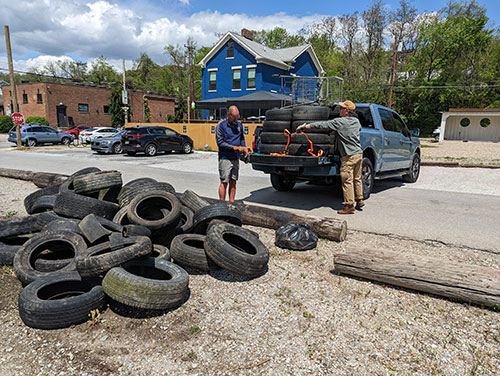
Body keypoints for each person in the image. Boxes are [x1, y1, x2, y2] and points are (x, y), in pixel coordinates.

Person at [297, 100, 364, 214]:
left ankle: (349, 205)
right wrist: (339, 133)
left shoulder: (340, 122)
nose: (339, 110)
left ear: (347, 111)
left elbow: (323, 125)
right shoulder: (356, 122)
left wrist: (306, 126)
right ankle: (360, 199)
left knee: (346, 180)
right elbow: (357, 130)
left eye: (341, 108)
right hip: (358, 154)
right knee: (357, 178)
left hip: (348, 156)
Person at [215, 105, 252, 202]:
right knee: (224, 182)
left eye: (237, 117)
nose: (236, 119)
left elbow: (241, 138)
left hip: (235, 158)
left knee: (233, 181)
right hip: (225, 158)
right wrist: (235, 148)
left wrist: (244, 148)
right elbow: (220, 143)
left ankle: (232, 203)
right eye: (234, 117)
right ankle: (222, 204)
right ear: (228, 114)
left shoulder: (239, 125)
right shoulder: (221, 125)